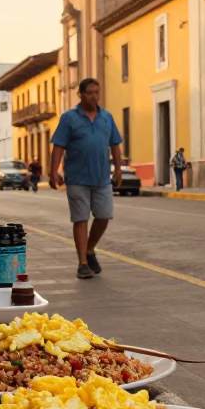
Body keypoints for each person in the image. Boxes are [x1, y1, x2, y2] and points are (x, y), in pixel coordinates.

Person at [49, 78, 123, 279]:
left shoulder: (107, 117)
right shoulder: (69, 118)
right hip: (77, 178)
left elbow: (115, 145)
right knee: (80, 218)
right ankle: (82, 263)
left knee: (104, 216)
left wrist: (118, 169)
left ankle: (90, 249)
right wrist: (53, 170)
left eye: (97, 92)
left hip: (101, 178)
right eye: (90, 93)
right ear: (80, 94)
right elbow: (58, 146)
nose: (94, 96)